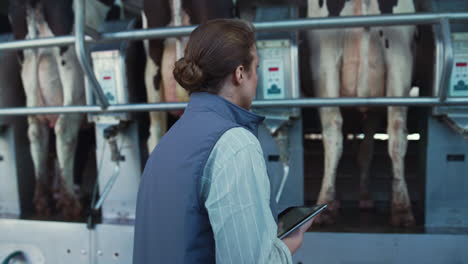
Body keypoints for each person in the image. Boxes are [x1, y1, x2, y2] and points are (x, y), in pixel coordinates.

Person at [133, 18, 312, 264]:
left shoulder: (169, 139)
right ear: (240, 73)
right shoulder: (235, 145)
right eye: (257, 68)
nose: (257, 79)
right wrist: (286, 245)